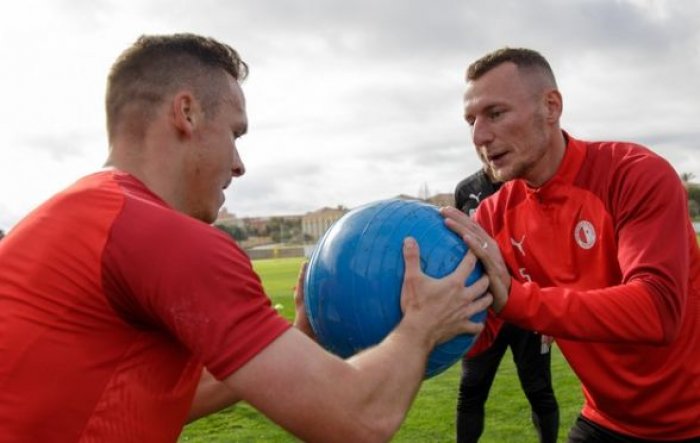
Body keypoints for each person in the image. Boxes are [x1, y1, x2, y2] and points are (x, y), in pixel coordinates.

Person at [0, 33, 492, 442]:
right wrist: (423, 325)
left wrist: (301, 336)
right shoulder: (161, 237)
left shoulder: (64, 216)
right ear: (187, 113)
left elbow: (170, 394)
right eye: (236, 134)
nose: (239, 164)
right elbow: (356, 419)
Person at [442, 47, 700, 442]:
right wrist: (423, 318)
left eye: (495, 114)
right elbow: (483, 331)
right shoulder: (494, 215)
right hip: (606, 418)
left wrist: (515, 299)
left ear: (551, 106)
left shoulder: (634, 174)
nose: (479, 136)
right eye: (470, 121)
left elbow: (657, 310)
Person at [454, 158, 559, 443]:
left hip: (530, 307)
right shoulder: (466, 190)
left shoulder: (531, 184)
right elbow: (458, 250)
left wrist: (550, 311)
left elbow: (548, 248)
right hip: (483, 310)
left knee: (539, 390)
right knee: (471, 389)